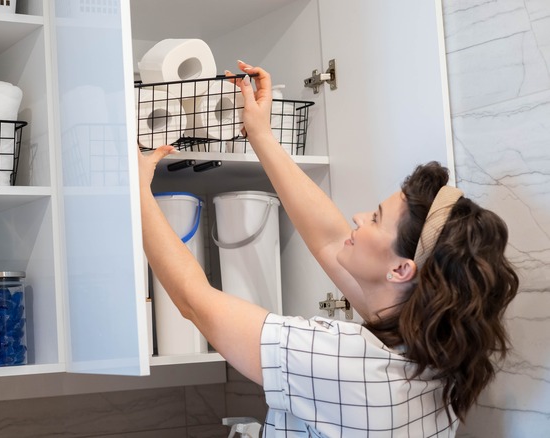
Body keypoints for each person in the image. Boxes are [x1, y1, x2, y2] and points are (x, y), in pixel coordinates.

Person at [138, 61, 519, 437]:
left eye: (375, 219)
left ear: (401, 270)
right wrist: (260, 135)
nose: (357, 217)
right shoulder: (435, 358)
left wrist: (137, 189)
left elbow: (194, 301)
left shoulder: (346, 362)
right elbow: (330, 238)